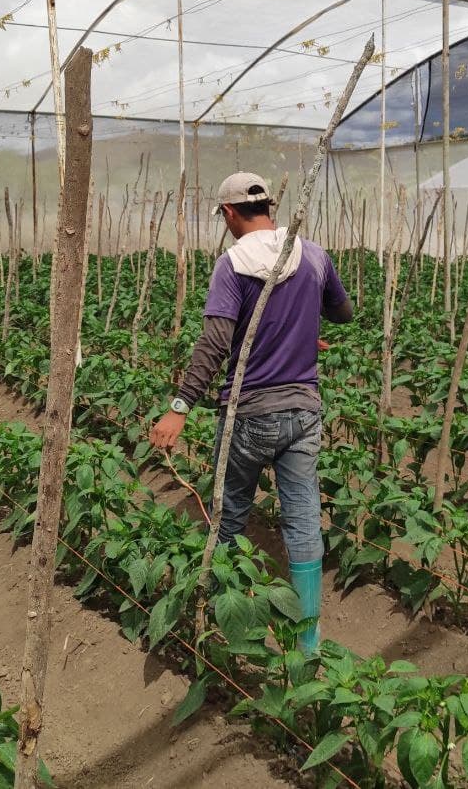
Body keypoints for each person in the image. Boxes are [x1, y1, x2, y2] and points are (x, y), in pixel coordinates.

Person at [149, 171, 354, 651]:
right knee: (303, 516)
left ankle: (225, 618)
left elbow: (216, 343)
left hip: (249, 413)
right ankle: (308, 641)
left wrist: (179, 407)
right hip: (303, 412)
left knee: (230, 512)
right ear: (272, 206)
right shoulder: (314, 254)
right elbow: (344, 313)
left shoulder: (232, 265)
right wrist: (300, 329)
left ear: (228, 212)